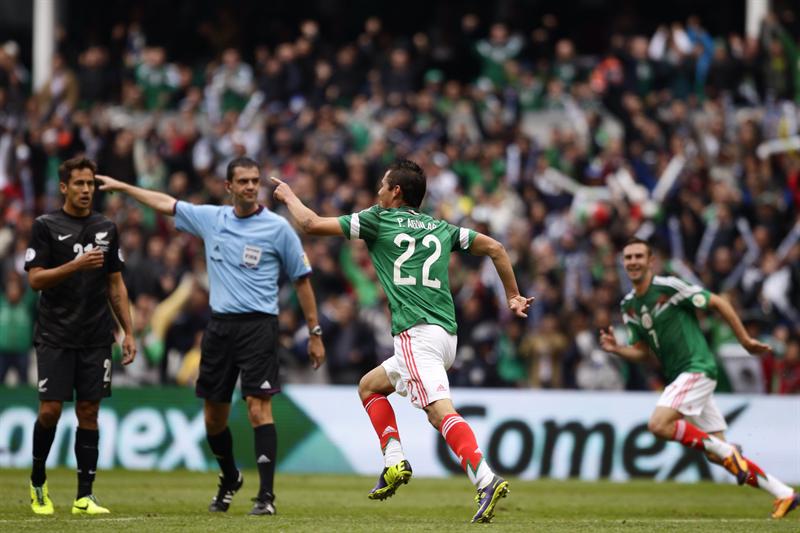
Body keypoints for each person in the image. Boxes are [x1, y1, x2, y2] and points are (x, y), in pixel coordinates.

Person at [271, 159, 534, 523]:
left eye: (382, 185)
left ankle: (485, 478)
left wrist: (286, 194)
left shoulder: (379, 219)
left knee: (438, 410)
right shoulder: (441, 228)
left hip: (416, 333)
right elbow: (496, 249)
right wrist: (513, 296)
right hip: (446, 336)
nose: (377, 191)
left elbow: (310, 223)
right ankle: (394, 460)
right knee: (369, 387)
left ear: (396, 192)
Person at [96, 156, 325, 516]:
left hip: (259, 326)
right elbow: (164, 203)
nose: (251, 186)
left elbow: (303, 281)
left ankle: (266, 497)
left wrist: (314, 332)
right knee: (213, 418)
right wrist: (124, 187)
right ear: (228, 187)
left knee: (257, 407)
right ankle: (230, 476)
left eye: (255, 180)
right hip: (219, 328)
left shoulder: (278, 228)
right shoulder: (211, 219)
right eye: (244, 181)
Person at [599, 238, 798, 519]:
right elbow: (643, 352)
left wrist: (745, 340)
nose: (633, 262)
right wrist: (617, 349)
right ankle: (784, 493)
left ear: (650, 261)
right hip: (681, 377)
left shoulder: (668, 287)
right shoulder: (629, 305)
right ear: (623, 262)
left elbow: (718, 302)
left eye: (638, 256)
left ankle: (727, 451)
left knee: (658, 424)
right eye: (628, 257)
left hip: (697, 368)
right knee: (718, 455)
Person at [24, 156, 136, 515]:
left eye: (90, 184)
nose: (86, 190)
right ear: (63, 187)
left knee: (89, 412)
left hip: (96, 335)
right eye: (79, 184)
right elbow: (34, 279)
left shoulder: (106, 227)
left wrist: (128, 332)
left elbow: (115, 284)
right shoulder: (45, 226)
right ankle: (38, 481)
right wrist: (74, 265)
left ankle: (83, 496)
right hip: (55, 334)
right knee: (50, 412)